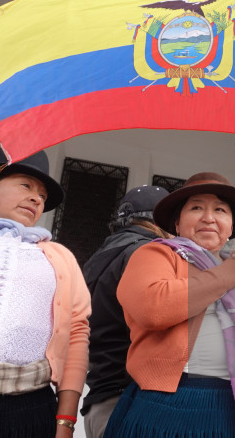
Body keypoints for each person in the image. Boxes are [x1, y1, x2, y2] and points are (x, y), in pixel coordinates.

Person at [104, 172, 235, 438]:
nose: (209, 217)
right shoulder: (157, 254)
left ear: (231, 227)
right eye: (196, 207)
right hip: (168, 403)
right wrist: (233, 273)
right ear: (177, 222)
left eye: (220, 210)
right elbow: (153, 308)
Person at [0, 148, 90, 437]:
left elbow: (77, 332)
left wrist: (65, 420)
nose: (37, 198)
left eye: (42, 196)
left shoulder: (56, 256)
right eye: (26, 185)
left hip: (29, 408)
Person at [80, 185, 170, 438]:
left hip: (101, 396)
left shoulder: (100, 255)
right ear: (160, 221)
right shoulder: (146, 254)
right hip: (130, 400)